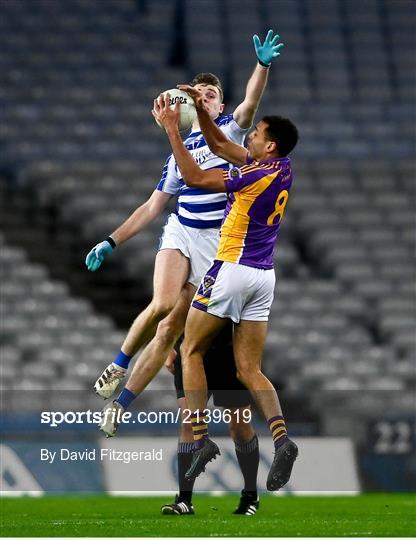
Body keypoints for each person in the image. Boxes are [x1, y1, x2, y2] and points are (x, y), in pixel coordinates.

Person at [85, 30, 283, 422]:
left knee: (172, 326)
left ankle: (119, 406)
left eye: (210, 94)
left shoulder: (230, 130)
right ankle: (118, 365)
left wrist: (261, 66)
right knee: (161, 304)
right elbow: (153, 205)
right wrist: (112, 240)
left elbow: (251, 102)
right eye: (197, 94)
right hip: (182, 231)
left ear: (219, 103)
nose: (203, 98)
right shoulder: (177, 152)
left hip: (215, 244)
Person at [152, 82, 299, 492]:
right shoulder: (281, 167)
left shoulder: (251, 176)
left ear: (268, 146)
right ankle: (283, 437)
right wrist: (200, 109)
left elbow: (197, 175)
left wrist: (173, 132)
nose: (249, 135)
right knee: (249, 368)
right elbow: (220, 145)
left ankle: (198, 439)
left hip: (231, 270)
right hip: (264, 279)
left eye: (256, 134)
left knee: (189, 349)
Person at [161, 326, 260, 516]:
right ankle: (184, 500)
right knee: (190, 421)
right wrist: (167, 344)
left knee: (239, 426)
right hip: (190, 348)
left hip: (231, 351)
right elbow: (172, 302)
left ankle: (250, 495)